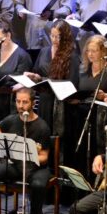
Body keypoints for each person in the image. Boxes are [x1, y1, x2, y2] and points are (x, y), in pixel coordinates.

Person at [0, 88, 53, 214]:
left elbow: (44, 157)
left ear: (33, 103)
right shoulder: (11, 119)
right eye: (18, 101)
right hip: (16, 165)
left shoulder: (42, 127)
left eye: (25, 102)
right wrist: (2, 142)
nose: (20, 105)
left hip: (36, 168)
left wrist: (30, 155)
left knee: (37, 184)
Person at [25, 20, 80, 162]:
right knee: (43, 135)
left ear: (65, 37)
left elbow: (72, 83)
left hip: (61, 105)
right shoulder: (44, 51)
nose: (54, 40)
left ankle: (57, 170)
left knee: (58, 140)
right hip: (44, 101)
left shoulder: (71, 56)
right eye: (52, 35)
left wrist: (47, 80)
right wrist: (34, 77)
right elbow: (37, 71)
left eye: (58, 37)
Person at [71, 35, 107, 173]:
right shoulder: (83, 69)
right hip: (82, 117)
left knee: (96, 151)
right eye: (88, 51)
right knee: (81, 153)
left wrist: (105, 96)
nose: (90, 54)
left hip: (101, 119)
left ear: (104, 52)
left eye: (94, 51)